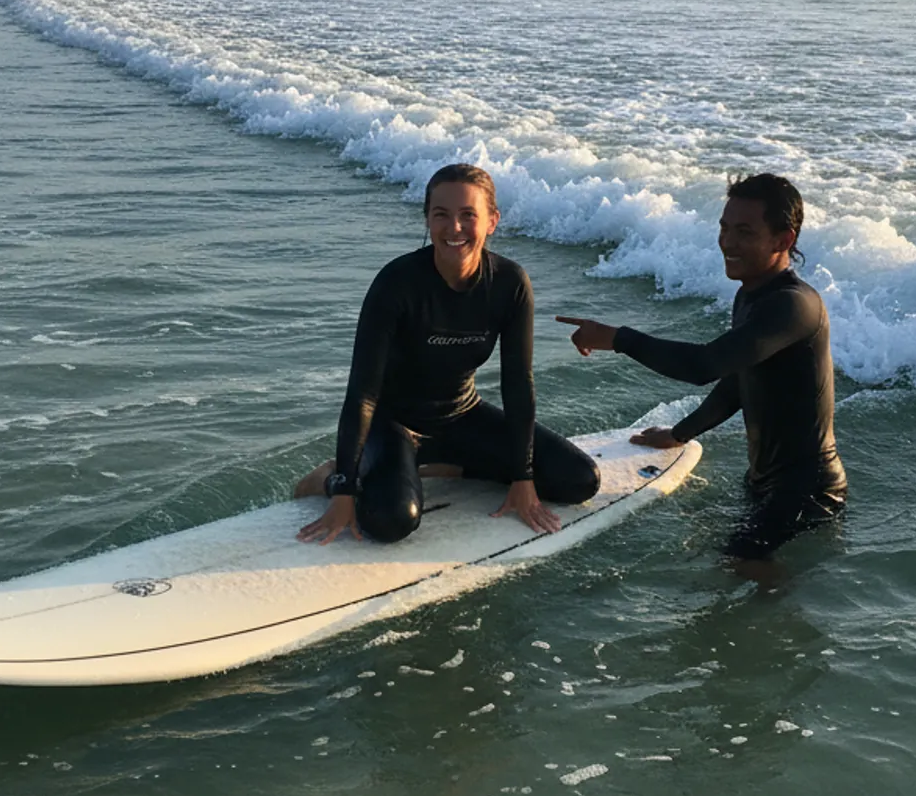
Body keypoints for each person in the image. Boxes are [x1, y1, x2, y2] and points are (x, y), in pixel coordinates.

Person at [296, 163, 600, 545]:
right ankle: (333, 473)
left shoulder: (510, 284)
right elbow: (362, 394)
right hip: (393, 424)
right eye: (441, 215)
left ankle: (437, 466)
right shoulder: (397, 283)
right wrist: (342, 488)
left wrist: (522, 478)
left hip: (462, 415)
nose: (453, 228)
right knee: (391, 521)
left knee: (578, 480)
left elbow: (518, 383)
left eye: (468, 215)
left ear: (492, 221)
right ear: (427, 219)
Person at [557, 173, 846, 573]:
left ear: (784, 240)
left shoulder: (794, 306)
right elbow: (736, 383)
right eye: (725, 228)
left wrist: (618, 338)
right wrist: (680, 433)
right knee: (720, 561)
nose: (727, 242)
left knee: (737, 570)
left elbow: (704, 366)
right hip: (766, 482)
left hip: (808, 490)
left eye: (744, 231)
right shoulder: (752, 294)